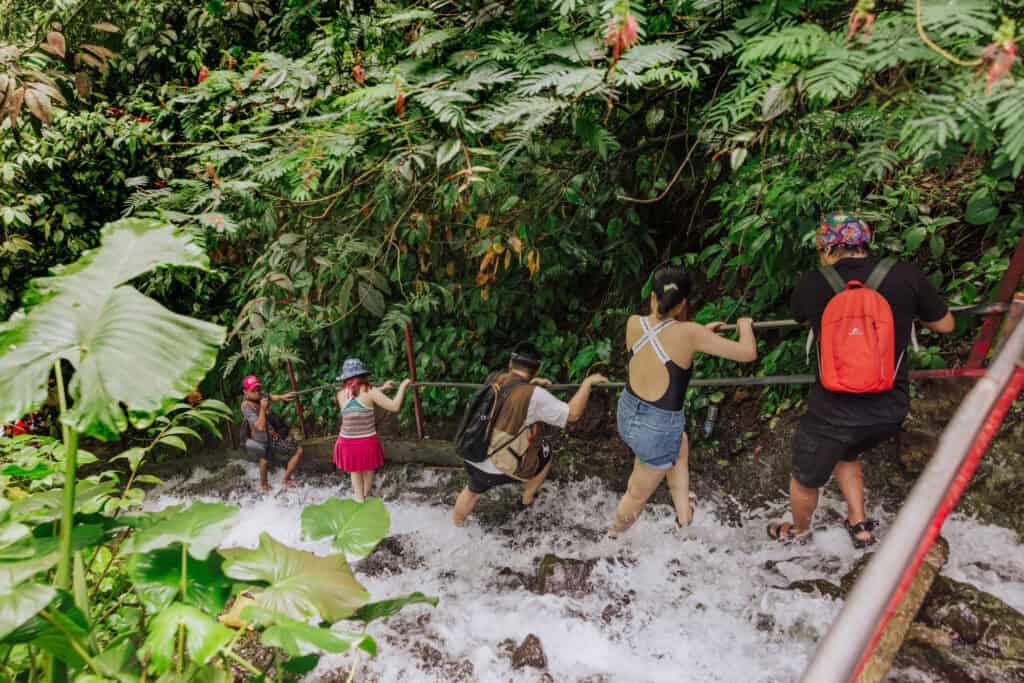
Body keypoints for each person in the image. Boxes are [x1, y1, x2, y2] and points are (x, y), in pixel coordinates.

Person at [767, 212, 954, 547]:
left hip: (831, 414)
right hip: (889, 411)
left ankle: (799, 533)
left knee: (805, 478)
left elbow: (799, 316)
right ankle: (859, 523)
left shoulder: (813, 283)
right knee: (847, 452)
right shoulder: (905, 276)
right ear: (866, 243)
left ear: (825, 248)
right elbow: (946, 326)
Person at [611, 266, 757, 535]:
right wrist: (745, 326)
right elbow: (747, 353)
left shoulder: (633, 322)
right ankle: (612, 538)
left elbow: (666, 339)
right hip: (656, 429)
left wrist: (700, 334)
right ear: (682, 305)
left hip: (627, 413)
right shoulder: (690, 334)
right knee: (636, 493)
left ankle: (684, 518)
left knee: (680, 444)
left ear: (653, 298)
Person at [452, 342, 608, 526]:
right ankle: (526, 500)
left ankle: (455, 525)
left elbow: (506, 397)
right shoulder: (534, 395)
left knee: (472, 490)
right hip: (498, 468)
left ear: (511, 362)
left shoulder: (495, 379)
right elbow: (572, 414)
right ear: (537, 369)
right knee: (545, 450)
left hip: (472, 455)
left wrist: (529, 385)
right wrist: (587, 384)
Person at [332, 358, 411, 502]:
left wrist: (382, 388)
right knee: (368, 469)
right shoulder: (371, 392)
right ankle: (367, 495)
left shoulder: (340, 394)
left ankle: (359, 499)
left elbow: (358, 396)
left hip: (346, 441)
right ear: (363, 375)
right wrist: (403, 386)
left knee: (355, 472)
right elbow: (394, 406)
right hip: (366, 442)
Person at [240, 375, 304, 491]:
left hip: (267, 436)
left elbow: (269, 397)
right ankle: (286, 480)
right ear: (245, 392)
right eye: (253, 390)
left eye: (258, 388)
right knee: (298, 450)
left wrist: (283, 397)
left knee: (265, 458)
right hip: (262, 437)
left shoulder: (259, 395)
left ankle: (264, 486)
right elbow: (260, 426)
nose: (257, 392)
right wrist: (263, 409)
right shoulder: (246, 406)